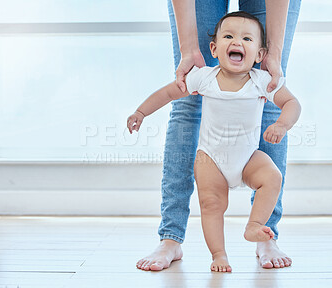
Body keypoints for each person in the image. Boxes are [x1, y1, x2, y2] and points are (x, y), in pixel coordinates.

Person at [128, 11, 301, 272]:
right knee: (211, 205)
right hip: (210, 157)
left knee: (272, 177)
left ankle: (256, 226)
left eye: (247, 38)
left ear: (259, 55)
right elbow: (168, 93)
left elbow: (291, 103)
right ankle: (218, 254)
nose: (237, 42)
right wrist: (141, 112)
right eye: (228, 36)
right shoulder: (204, 77)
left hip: (248, 158)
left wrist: (282, 124)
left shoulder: (262, 81)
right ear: (214, 48)